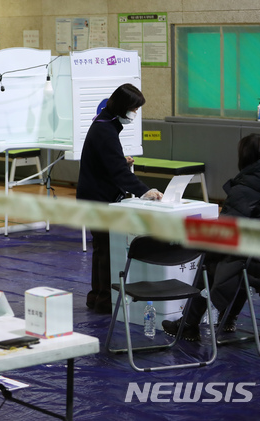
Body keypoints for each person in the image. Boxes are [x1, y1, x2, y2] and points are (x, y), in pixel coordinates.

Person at [162, 133, 260, 341]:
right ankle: (229, 317)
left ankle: (189, 323)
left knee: (213, 259)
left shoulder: (245, 188)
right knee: (239, 258)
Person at [76, 83, 163, 314]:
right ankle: (104, 300)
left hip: (91, 196)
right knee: (105, 252)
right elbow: (117, 172)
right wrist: (146, 191)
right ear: (124, 106)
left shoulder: (105, 122)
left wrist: (119, 159)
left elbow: (106, 160)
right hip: (98, 199)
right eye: (134, 108)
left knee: (101, 251)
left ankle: (96, 296)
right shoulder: (106, 129)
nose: (135, 113)